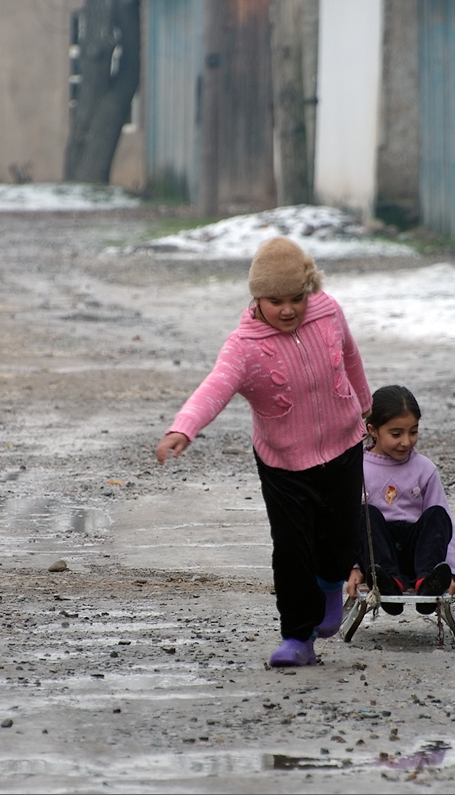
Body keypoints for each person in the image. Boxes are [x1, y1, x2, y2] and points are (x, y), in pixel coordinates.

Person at [155, 236, 372, 668]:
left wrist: (365, 406)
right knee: (291, 550)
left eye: (297, 298)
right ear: (257, 298)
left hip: (343, 445)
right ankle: (297, 638)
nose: (288, 309)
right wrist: (185, 427)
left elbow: (350, 356)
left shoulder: (328, 311)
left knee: (337, 537)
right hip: (284, 464)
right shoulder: (244, 346)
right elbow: (215, 386)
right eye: (275, 301)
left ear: (310, 290)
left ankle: (331, 585)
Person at [348, 385, 455, 616]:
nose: (406, 442)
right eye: (396, 434)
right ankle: (391, 583)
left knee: (437, 514)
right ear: (373, 430)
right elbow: (344, 525)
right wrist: (354, 568)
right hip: (377, 559)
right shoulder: (357, 467)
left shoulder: (424, 469)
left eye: (413, 432)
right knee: (363, 515)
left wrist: (451, 573)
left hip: (418, 558)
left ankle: (428, 582)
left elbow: (443, 526)